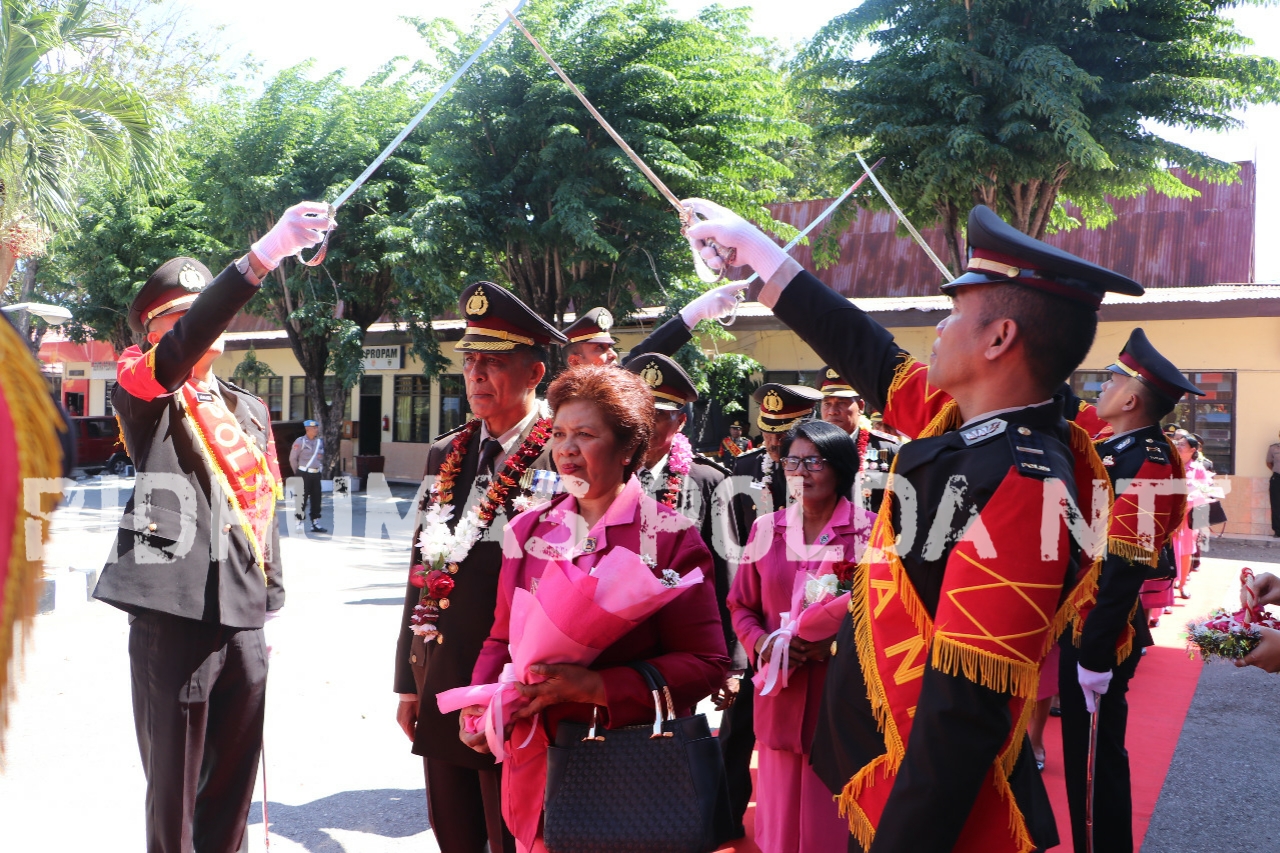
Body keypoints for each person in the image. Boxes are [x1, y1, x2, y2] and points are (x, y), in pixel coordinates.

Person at [684, 198, 1142, 852]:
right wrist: (759, 256)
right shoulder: (972, 420)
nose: (938, 326)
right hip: (884, 773)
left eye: (953, 311)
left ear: (998, 338)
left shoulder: (1027, 482)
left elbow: (963, 710)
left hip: (927, 815)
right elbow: (869, 354)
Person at [94, 201, 333, 853]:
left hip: (243, 625)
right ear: (156, 336)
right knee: (174, 806)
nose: (200, 329)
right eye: (180, 321)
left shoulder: (249, 408)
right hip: (173, 622)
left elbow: (265, 509)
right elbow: (176, 352)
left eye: (201, 316)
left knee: (228, 800)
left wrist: (268, 606)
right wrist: (259, 258)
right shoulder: (144, 388)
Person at [462, 365, 729, 852]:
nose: (566, 448)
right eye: (560, 433)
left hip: (625, 775)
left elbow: (707, 663)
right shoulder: (527, 531)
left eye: (585, 434)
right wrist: (480, 706)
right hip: (534, 766)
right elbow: (501, 638)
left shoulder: (670, 537)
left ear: (630, 448)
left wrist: (598, 686)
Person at [393, 281, 567, 853]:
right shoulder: (450, 452)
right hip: (443, 676)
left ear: (534, 373)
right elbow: (423, 566)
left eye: (493, 363)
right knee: (457, 835)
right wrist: (407, 682)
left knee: (515, 834)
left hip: (516, 683)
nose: (476, 377)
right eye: (470, 363)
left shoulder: (562, 451)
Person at [1058, 328, 1202, 853]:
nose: (1101, 387)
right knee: (1080, 756)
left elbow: (1123, 564)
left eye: (1111, 380)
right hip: (1083, 617)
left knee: (1094, 762)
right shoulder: (1116, 446)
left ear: (1132, 398)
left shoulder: (1150, 460)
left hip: (1102, 628)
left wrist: (1095, 650)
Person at [729, 420, 872, 853]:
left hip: (839, 698)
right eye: (793, 461)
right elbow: (742, 606)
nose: (802, 472)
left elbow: (882, 617)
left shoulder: (868, 533)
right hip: (780, 693)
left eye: (814, 461)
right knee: (777, 823)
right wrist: (764, 643)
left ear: (841, 469)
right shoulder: (765, 529)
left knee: (827, 823)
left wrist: (827, 644)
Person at [720, 381, 822, 836]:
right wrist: (749, 641)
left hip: (820, 618)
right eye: (770, 434)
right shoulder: (742, 469)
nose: (776, 446)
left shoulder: (835, 467)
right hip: (758, 618)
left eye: (785, 435)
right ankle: (725, 816)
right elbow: (733, 550)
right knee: (739, 729)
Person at [559, 283, 742, 368]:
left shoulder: (612, 388)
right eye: (600, 348)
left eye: (610, 347)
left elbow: (640, 357)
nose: (613, 355)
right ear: (575, 361)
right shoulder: (569, 403)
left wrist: (693, 314)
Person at [817, 366, 898, 509]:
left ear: (861, 406)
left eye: (841, 403)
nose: (832, 411)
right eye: (827, 403)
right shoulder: (811, 448)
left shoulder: (888, 448)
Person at [289, 419, 326, 533]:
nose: (316, 430)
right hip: (303, 473)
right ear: (307, 429)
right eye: (314, 428)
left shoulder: (319, 442)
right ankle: (299, 523)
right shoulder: (300, 441)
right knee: (301, 499)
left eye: (316, 428)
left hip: (315, 474)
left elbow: (321, 458)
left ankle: (315, 523)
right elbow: (293, 458)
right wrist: (298, 472)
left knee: (316, 499)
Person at [1269, 430, 1280, 537]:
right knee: (1276, 505)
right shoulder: (1273, 448)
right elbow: (1268, 462)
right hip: (1277, 478)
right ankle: (1277, 530)